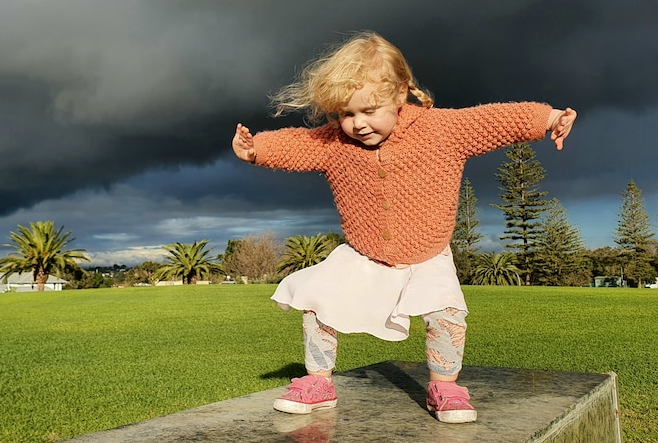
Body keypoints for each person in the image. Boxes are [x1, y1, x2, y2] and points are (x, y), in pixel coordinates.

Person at [231, 31, 576, 424]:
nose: (358, 124)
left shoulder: (442, 130)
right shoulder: (333, 144)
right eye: (346, 114)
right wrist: (256, 149)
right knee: (316, 301)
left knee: (446, 313)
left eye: (369, 110)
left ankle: (444, 386)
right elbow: (297, 143)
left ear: (400, 95)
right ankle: (318, 383)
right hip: (364, 255)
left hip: (428, 255)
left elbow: (496, 119)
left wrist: (548, 118)